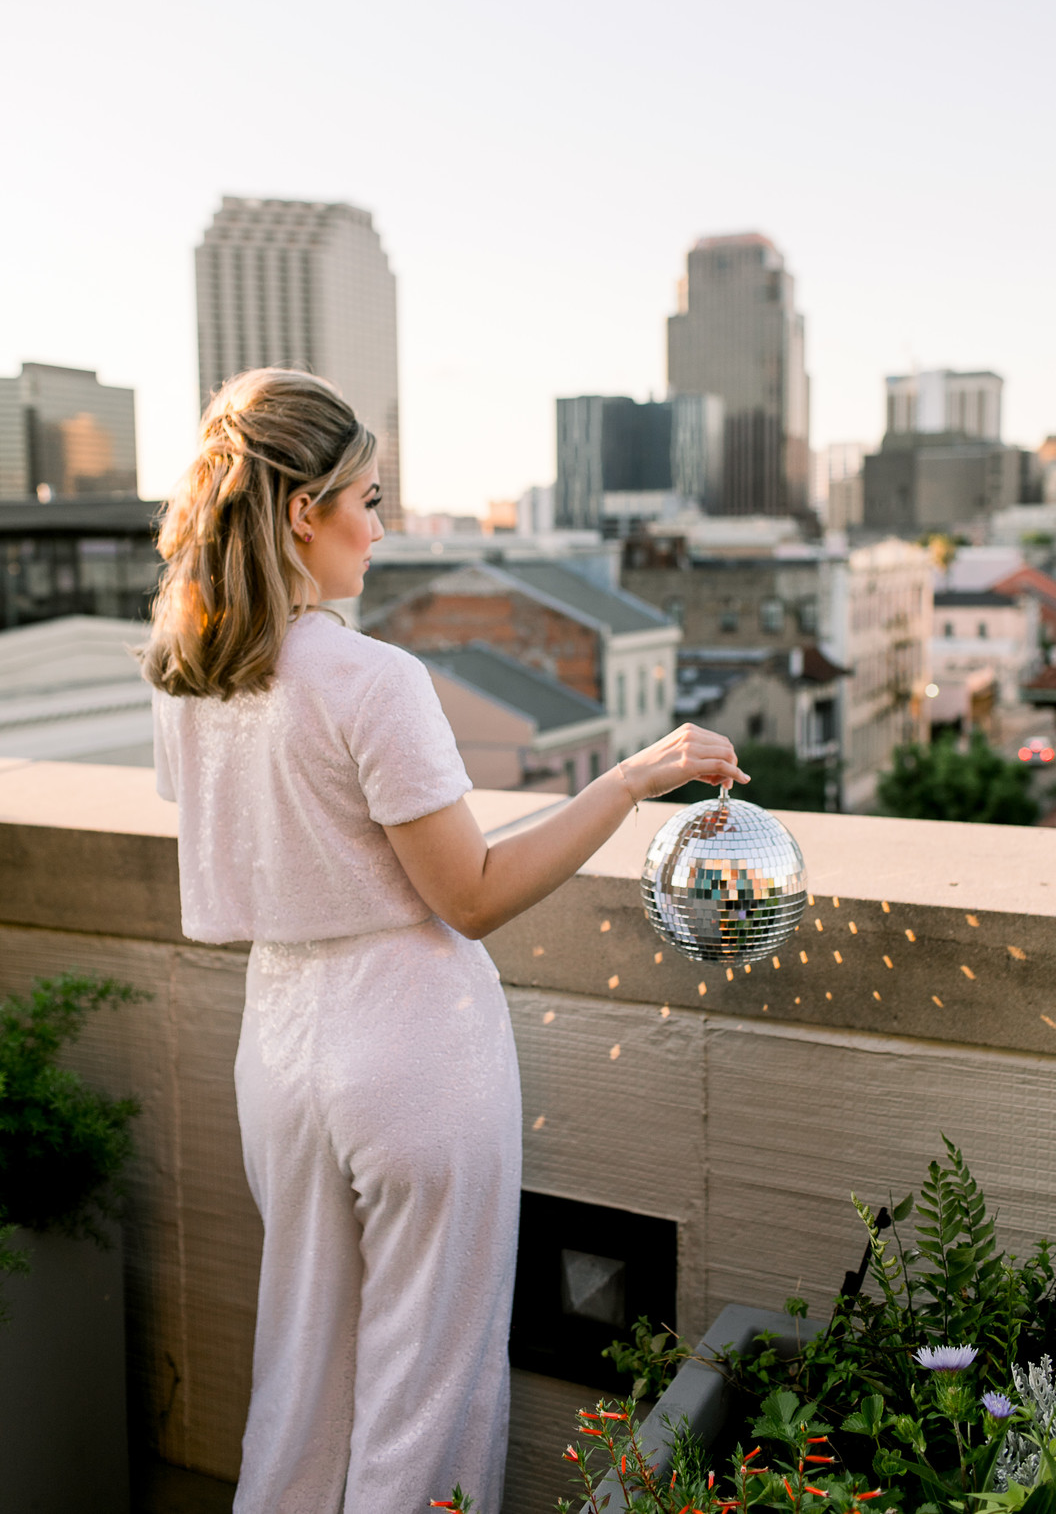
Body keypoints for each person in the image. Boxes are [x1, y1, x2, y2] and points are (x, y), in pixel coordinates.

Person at [142, 367, 748, 1514]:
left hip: (277, 1048)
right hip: (410, 1045)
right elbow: (465, 892)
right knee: (426, 1388)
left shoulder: (189, 676)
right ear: (299, 511)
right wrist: (634, 775)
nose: (383, 526)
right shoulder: (373, 681)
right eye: (368, 498)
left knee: (303, 1368)